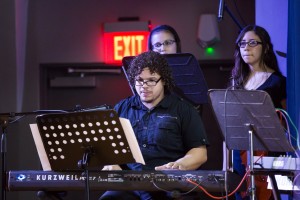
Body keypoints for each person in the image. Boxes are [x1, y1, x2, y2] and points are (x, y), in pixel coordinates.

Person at [100, 51, 209, 200]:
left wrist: (180, 164)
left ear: (163, 80)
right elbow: (110, 146)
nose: (144, 86)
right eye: (139, 80)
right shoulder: (122, 108)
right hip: (130, 184)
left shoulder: (184, 109)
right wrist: (113, 164)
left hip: (169, 184)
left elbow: (199, 153)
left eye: (151, 80)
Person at [230, 25, 287, 200]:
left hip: (267, 153)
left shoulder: (278, 82)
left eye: (253, 43)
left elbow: (285, 122)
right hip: (240, 152)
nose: (246, 47)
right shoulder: (236, 81)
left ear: (266, 47)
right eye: (242, 43)